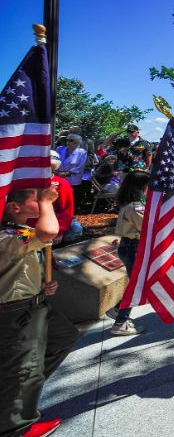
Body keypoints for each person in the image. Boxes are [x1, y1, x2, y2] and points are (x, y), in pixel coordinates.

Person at [0, 184, 80, 437]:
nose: (47, 201)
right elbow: (47, 232)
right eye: (36, 199)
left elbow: (23, 267)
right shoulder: (6, 235)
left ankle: (18, 394)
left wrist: (42, 284)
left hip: (34, 304)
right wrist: (47, 202)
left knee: (63, 337)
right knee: (21, 369)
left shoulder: (19, 232)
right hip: (16, 313)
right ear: (14, 208)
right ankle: (16, 427)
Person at [103, 171, 151, 335]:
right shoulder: (134, 207)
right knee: (136, 285)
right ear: (141, 187)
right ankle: (121, 322)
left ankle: (118, 310)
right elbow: (147, 227)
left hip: (131, 246)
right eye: (147, 186)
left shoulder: (131, 204)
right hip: (134, 246)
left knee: (136, 283)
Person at [28, 151, 81, 245]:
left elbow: (67, 210)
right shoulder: (28, 181)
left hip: (50, 224)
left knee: (75, 230)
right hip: (28, 226)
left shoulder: (62, 183)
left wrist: (59, 231)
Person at [55, 133, 89, 212]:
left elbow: (79, 167)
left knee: (71, 200)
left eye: (71, 140)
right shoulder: (60, 149)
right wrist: (57, 172)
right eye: (67, 140)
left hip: (72, 179)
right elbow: (55, 160)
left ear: (77, 142)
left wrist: (66, 173)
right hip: (59, 178)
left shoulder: (82, 152)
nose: (68, 142)